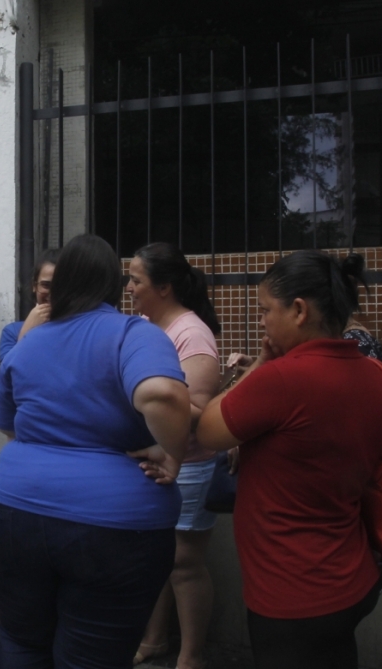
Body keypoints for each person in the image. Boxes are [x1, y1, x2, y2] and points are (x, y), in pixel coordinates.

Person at [0, 234, 192, 669]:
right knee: (91, 655)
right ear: (112, 286)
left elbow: (5, 422)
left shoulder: (29, 343)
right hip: (116, 528)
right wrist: (170, 451)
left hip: (14, 512)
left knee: (22, 639)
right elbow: (163, 396)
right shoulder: (133, 333)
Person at [194, 250, 382, 669]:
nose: (261, 322)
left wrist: (262, 365)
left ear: (300, 310)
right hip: (353, 573)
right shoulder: (377, 374)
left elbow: (207, 431)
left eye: (267, 310)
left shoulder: (283, 378)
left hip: (291, 588)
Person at [126, 242, 222, 669]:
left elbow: (198, 411)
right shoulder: (146, 325)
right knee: (158, 557)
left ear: (163, 287)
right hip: (155, 458)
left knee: (184, 563)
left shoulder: (191, 333)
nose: (129, 288)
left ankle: (191, 655)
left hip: (190, 462)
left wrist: (150, 396)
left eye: (136, 280)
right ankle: (154, 638)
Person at [0, 248, 58, 363]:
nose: (53, 293)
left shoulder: (78, 329)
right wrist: (27, 331)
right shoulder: (12, 332)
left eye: (60, 285)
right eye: (46, 285)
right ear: (34, 286)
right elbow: (7, 373)